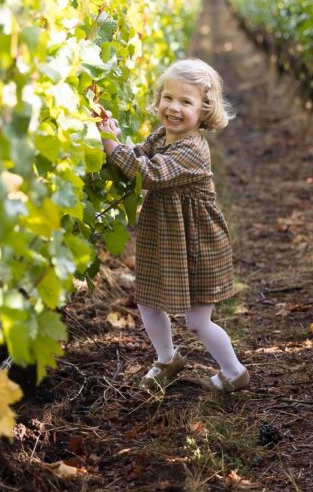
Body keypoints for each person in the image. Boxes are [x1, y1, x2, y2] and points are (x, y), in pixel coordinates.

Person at [97, 58, 249, 393]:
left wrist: (113, 150)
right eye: (168, 98)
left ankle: (234, 371)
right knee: (147, 300)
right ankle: (167, 359)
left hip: (196, 243)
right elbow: (136, 155)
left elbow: (150, 174)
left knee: (197, 321)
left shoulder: (192, 148)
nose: (174, 107)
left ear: (204, 110)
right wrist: (114, 138)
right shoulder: (161, 136)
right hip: (165, 235)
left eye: (186, 101)